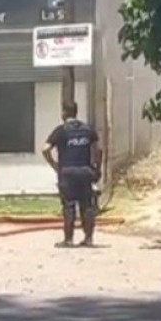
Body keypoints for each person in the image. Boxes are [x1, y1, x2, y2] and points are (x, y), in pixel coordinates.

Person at [42, 100, 101, 248]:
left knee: (69, 206)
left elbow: (45, 149)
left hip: (67, 173)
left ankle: (68, 240)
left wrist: (54, 165)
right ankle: (88, 239)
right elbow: (99, 150)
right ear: (76, 112)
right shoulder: (88, 130)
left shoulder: (61, 131)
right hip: (85, 172)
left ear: (64, 113)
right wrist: (97, 168)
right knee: (87, 206)